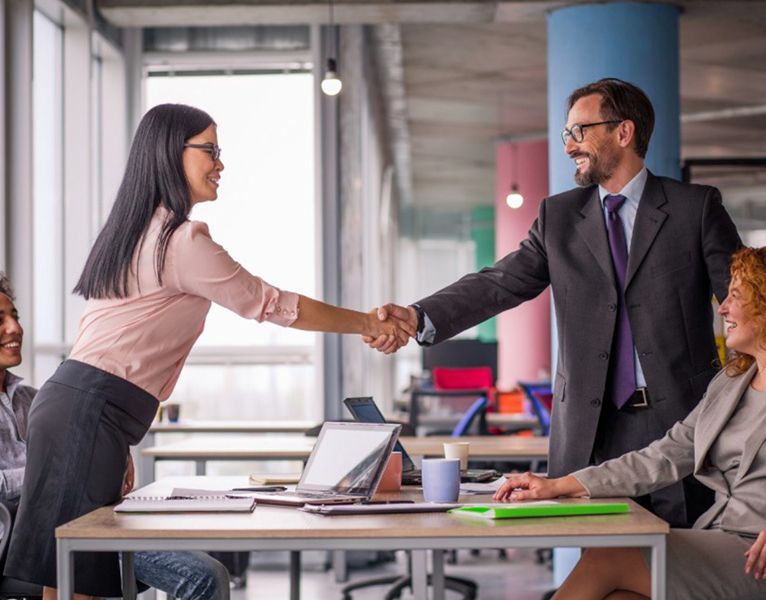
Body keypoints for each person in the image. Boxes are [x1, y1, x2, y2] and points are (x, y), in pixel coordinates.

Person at [4, 103, 413, 599]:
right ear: (170, 154)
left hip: (79, 405)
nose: (221, 164)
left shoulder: (132, 233)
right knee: (79, 577)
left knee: (68, 572)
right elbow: (273, 305)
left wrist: (115, 437)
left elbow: (108, 347)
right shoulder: (180, 241)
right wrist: (368, 323)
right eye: (211, 150)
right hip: (90, 410)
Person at [367, 78, 741, 527]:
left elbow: (747, 300)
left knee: (678, 559)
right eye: (567, 133)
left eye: (579, 131)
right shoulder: (559, 216)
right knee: (601, 558)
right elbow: (500, 282)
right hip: (590, 428)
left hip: (680, 421)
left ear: (623, 133)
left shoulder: (694, 208)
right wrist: (416, 315)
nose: (569, 146)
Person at [493, 246, 766, 600]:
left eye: (736, 295)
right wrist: (559, 485)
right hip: (718, 536)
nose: (723, 307)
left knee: (609, 556)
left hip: (755, 553)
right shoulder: (731, 381)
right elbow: (664, 456)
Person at [0, 272, 230, 599]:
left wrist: (105, 454)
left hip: (92, 517)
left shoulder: (38, 399)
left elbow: (85, 445)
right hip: (25, 536)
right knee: (203, 578)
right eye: (0, 320)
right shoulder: (55, 406)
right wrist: (68, 470)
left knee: (207, 573)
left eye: (15, 316)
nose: (15, 328)